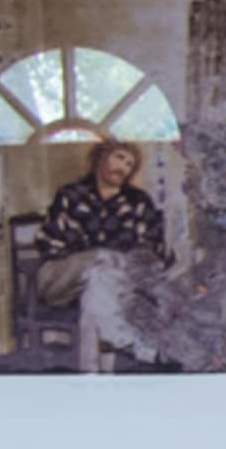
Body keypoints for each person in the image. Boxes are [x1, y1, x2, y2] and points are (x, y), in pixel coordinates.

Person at [34, 139, 178, 373]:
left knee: (98, 282)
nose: (123, 167)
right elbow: (50, 243)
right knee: (99, 263)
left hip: (114, 282)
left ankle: (94, 373)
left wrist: (119, 260)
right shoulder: (70, 195)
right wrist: (96, 254)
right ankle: (133, 344)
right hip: (62, 280)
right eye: (119, 157)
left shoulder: (138, 202)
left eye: (130, 164)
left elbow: (152, 251)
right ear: (100, 157)